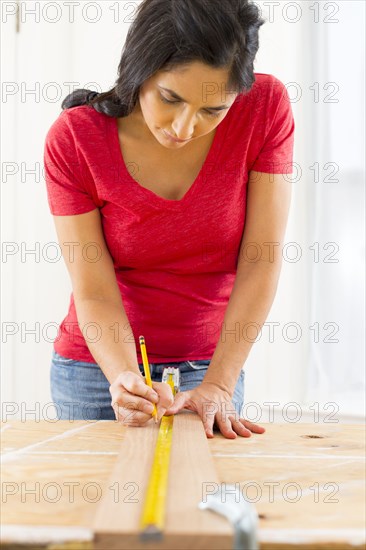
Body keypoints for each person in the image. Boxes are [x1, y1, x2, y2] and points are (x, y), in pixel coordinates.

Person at [44, 0, 294, 439]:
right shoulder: (75, 139)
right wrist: (122, 378)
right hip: (97, 371)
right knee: (101, 504)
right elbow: (94, 289)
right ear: (140, 69)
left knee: (197, 503)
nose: (183, 127)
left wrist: (219, 383)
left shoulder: (265, 109)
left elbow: (261, 260)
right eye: (170, 98)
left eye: (212, 111)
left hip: (209, 368)